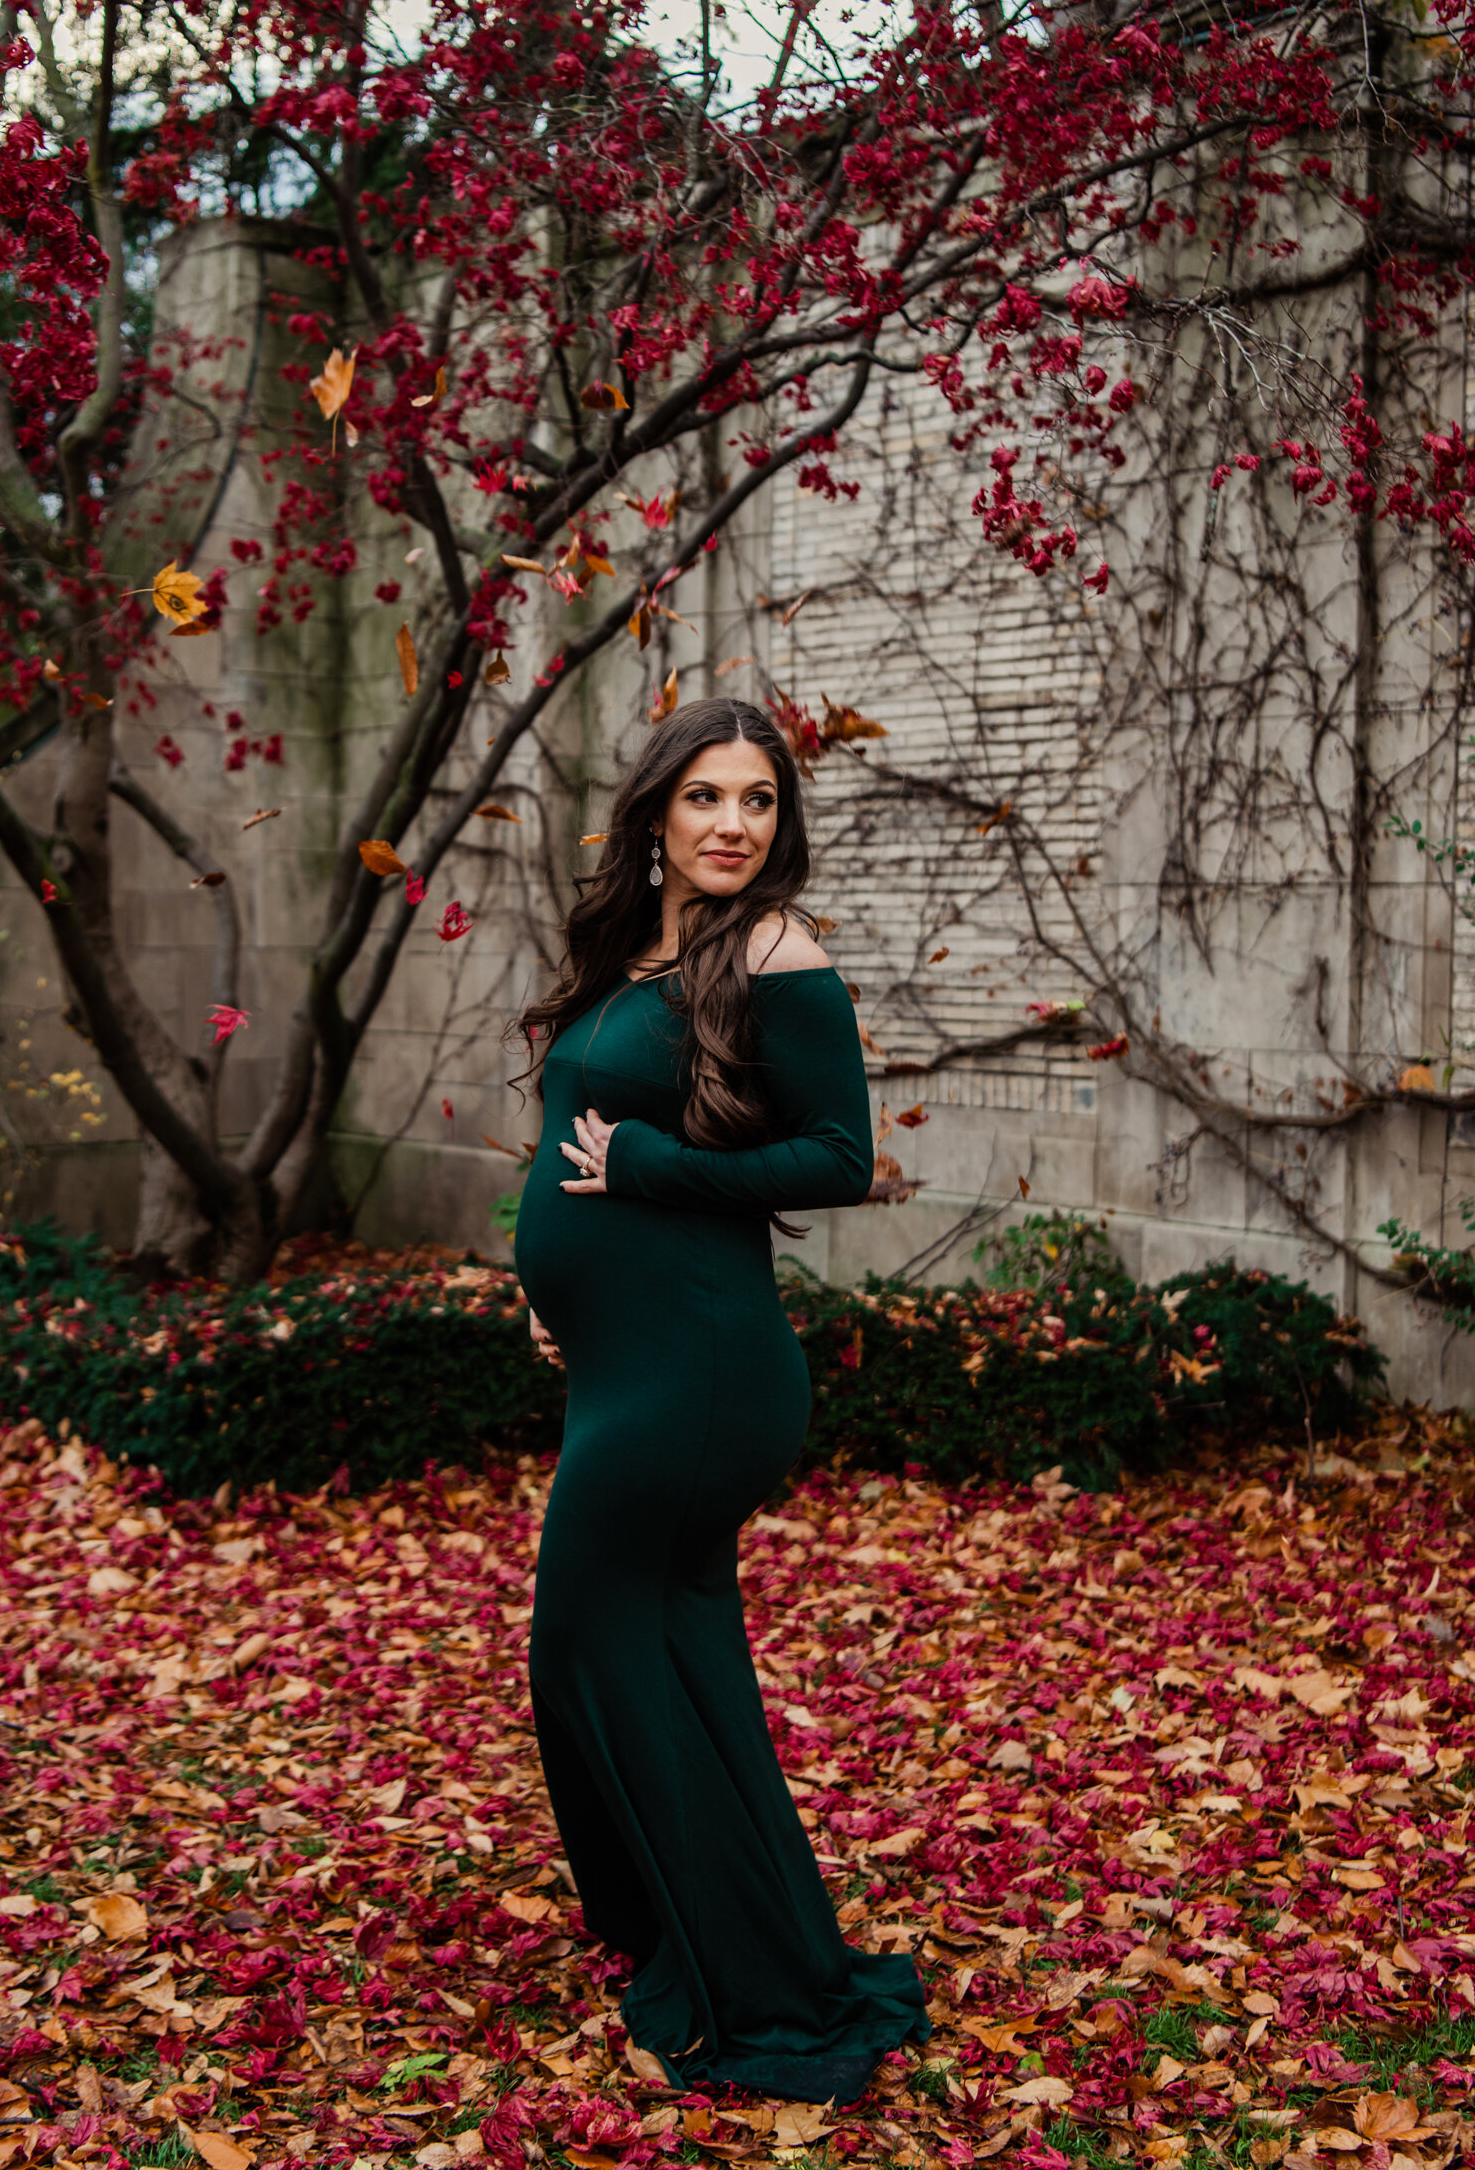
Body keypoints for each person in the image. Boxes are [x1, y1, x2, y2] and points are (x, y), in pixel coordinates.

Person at [512, 696, 929, 2104]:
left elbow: (834, 1158)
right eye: (706, 798)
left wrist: (646, 1179)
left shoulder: (773, 954)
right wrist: (554, 1279)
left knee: (589, 1640)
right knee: (667, 1658)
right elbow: (571, 1133)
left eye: (757, 801)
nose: (733, 825)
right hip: (636, 1358)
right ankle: (711, 1931)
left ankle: (743, 1973)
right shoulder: (645, 947)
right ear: (655, 812)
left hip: (700, 1376)